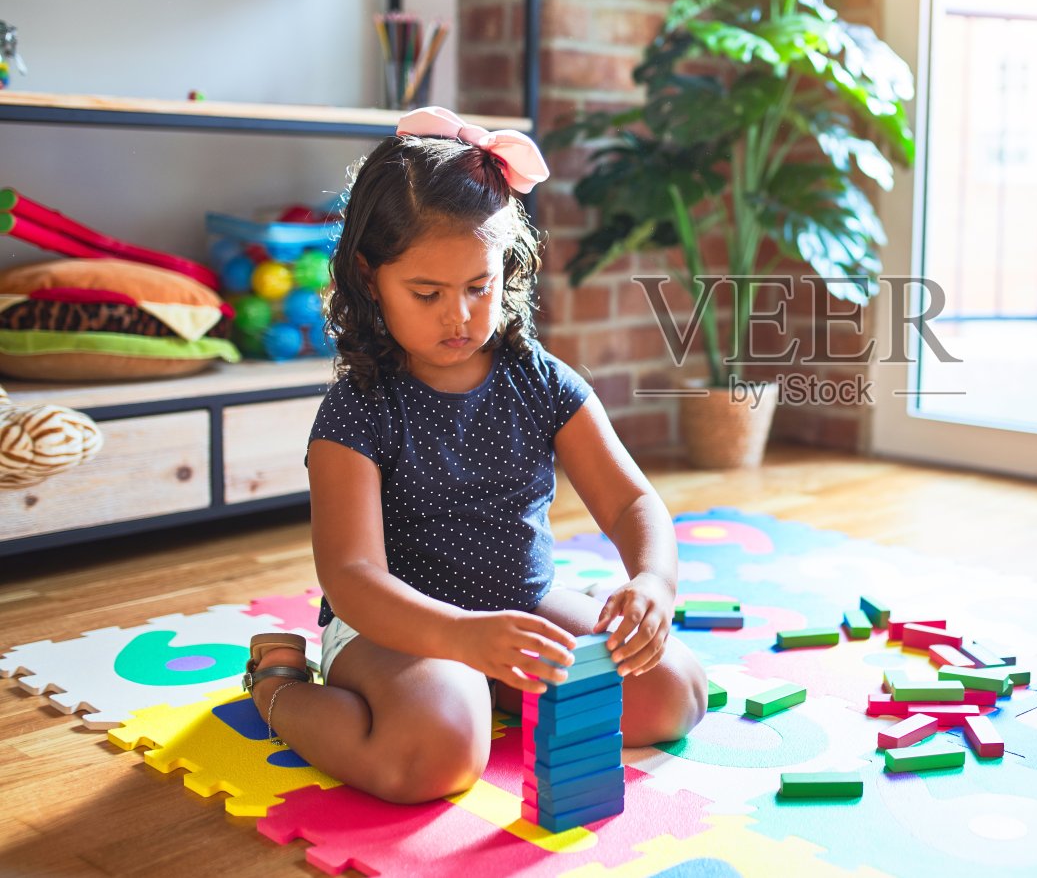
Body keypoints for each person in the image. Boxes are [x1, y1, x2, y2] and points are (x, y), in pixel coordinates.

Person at [244, 106, 707, 805]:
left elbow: (631, 500)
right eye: (427, 293)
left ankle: (489, 690)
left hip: (520, 609)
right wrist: (460, 637)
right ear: (370, 279)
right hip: (395, 631)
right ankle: (277, 687)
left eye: (479, 287)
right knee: (437, 754)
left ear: (507, 267)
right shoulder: (359, 407)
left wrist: (654, 583)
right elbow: (352, 575)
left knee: (672, 692)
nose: (458, 316)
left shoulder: (539, 378)